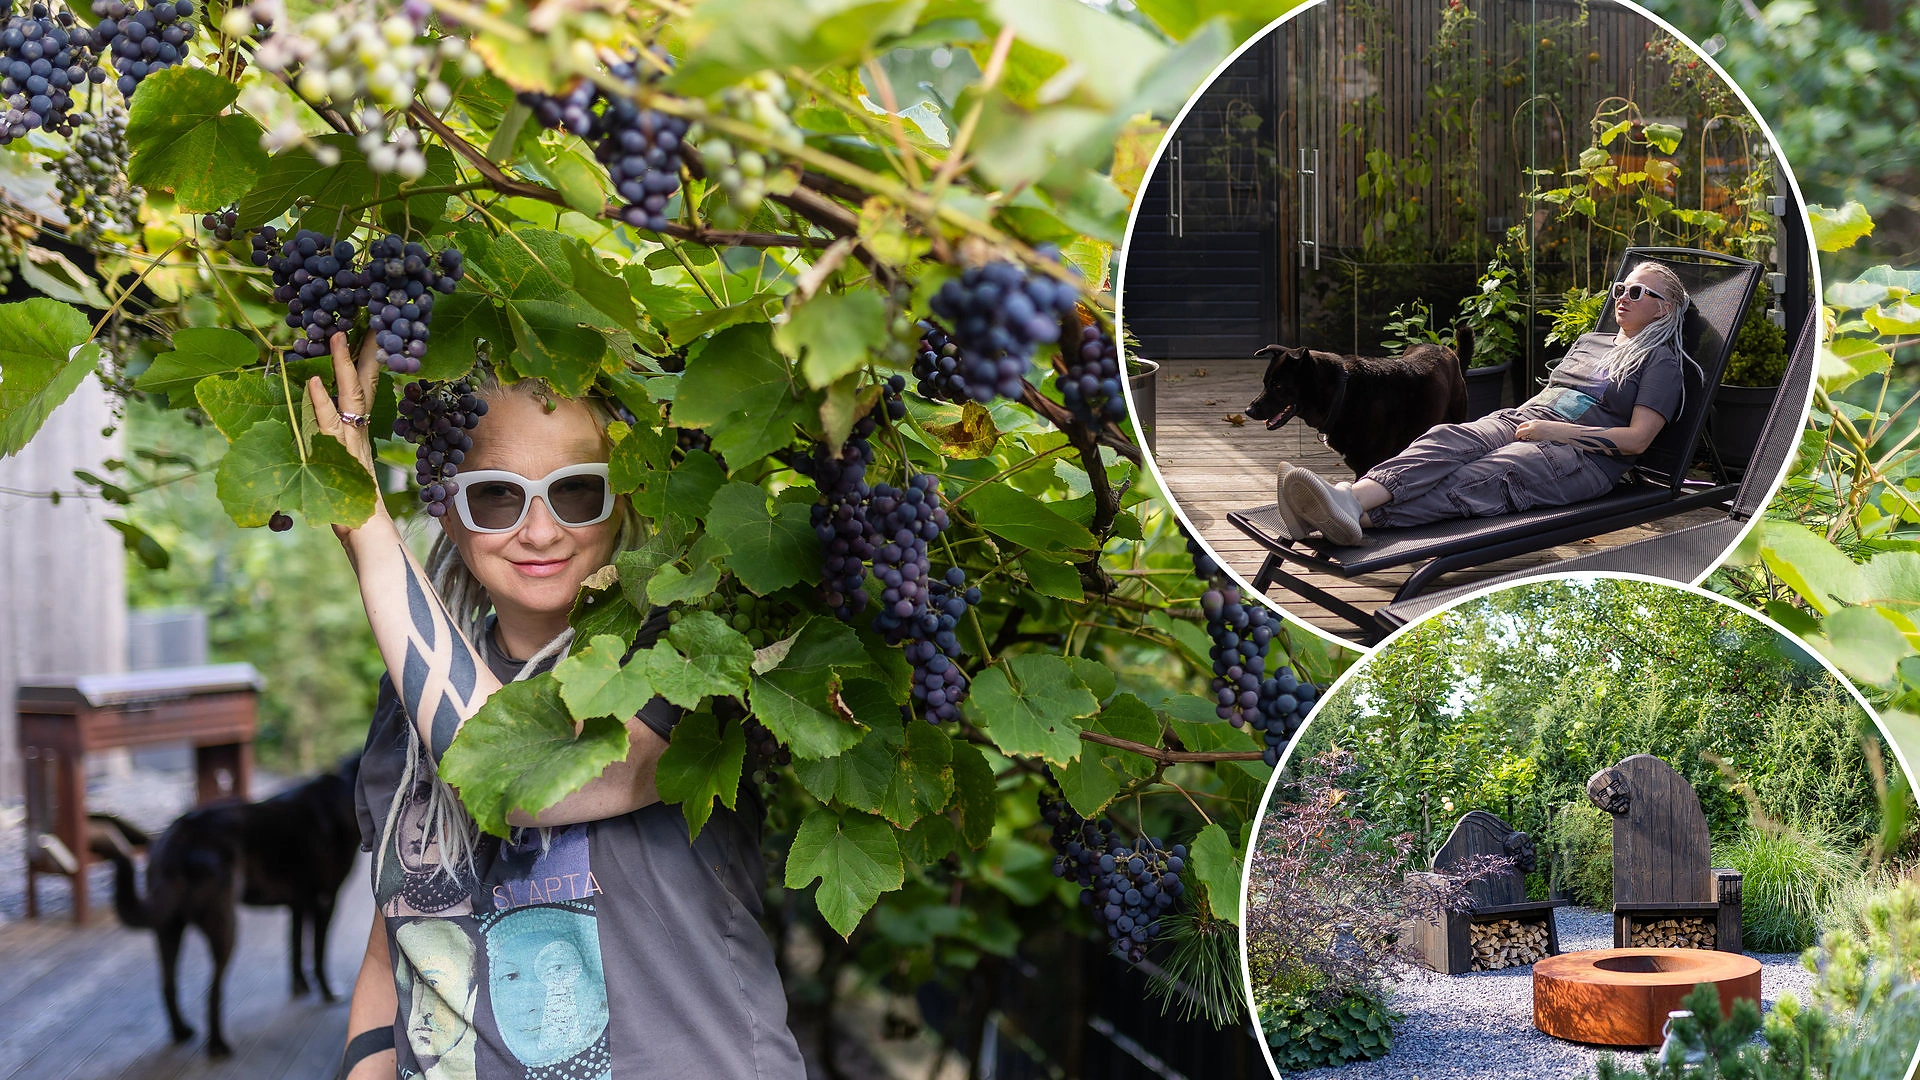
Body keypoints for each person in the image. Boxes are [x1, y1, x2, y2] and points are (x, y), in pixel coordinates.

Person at [313, 332, 806, 1080]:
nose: (540, 530)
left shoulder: (681, 656)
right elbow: (395, 953)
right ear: (448, 511)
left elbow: (511, 774)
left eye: (576, 490)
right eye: (496, 495)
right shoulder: (403, 705)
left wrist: (368, 530)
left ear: (623, 498)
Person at [1279, 260, 1693, 545]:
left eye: (1638, 292)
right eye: (1622, 288)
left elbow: (1637, 441)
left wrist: (1557, 431)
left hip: (1582, 457)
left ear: (1664, 309)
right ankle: (1347, 502)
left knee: (1486, 474)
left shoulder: (1661, 363)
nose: (1623, 296)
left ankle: (1350, 519)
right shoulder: (1591, 342)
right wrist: (1530, 422)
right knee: (1447, 438)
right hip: (1526, 418)